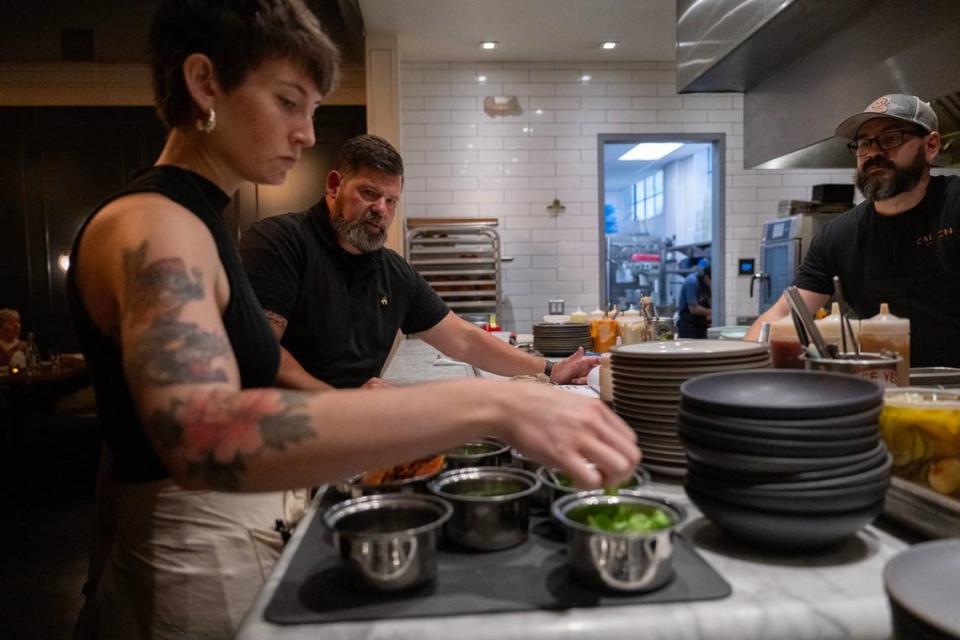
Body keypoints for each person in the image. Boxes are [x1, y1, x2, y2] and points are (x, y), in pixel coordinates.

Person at [66, 2, 639, 638]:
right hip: (193, 548)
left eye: (311, 110)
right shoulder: (156, 225)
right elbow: (203, 434)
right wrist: (488, 407)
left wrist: (541, 373)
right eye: (289, 102)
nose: (307, 132)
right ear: (205, 84)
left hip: (247, 521)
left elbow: (455, 334)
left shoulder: (200, 224)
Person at [239, 134, 597, 391]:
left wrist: (550, 369)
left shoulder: (392, 272)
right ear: (334, 186)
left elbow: (465, 340)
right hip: (283, 434)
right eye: (369, 193)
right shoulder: (280, 242)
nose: (381, 210)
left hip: (353, 429)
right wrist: (340, 407)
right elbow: (259, 352)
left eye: (391, 201)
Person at [745, 94, 960, 367]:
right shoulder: (839, 236)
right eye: (864, 143)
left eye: (891, 138)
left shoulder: (954, 206)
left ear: (930, 145)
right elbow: (783, 315)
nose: (873, 152)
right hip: (881, 392)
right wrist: (737, 371)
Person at [675, 259, 711, 339]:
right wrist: (711, 312)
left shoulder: (705, 284)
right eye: (711, 281)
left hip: (700, 324)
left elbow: (709, 300)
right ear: (706, 277)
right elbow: (693, 309)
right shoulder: (692, 282)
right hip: (688, 325)